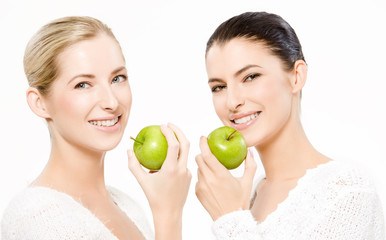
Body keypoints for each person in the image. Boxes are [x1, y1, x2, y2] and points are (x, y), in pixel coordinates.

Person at [195, 11, 385, 239]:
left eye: (250, 77)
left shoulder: (347, 193)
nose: (232, 101)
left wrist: (231, 220)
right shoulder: (248, 194)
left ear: (296, 76)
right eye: (219, 87)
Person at [1, 16, 191, 240]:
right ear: (39, 103)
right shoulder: (37, 218)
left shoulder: (128, 207)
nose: (111, 102)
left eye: (117, 78)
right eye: (83, 84)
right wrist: (168, 214)